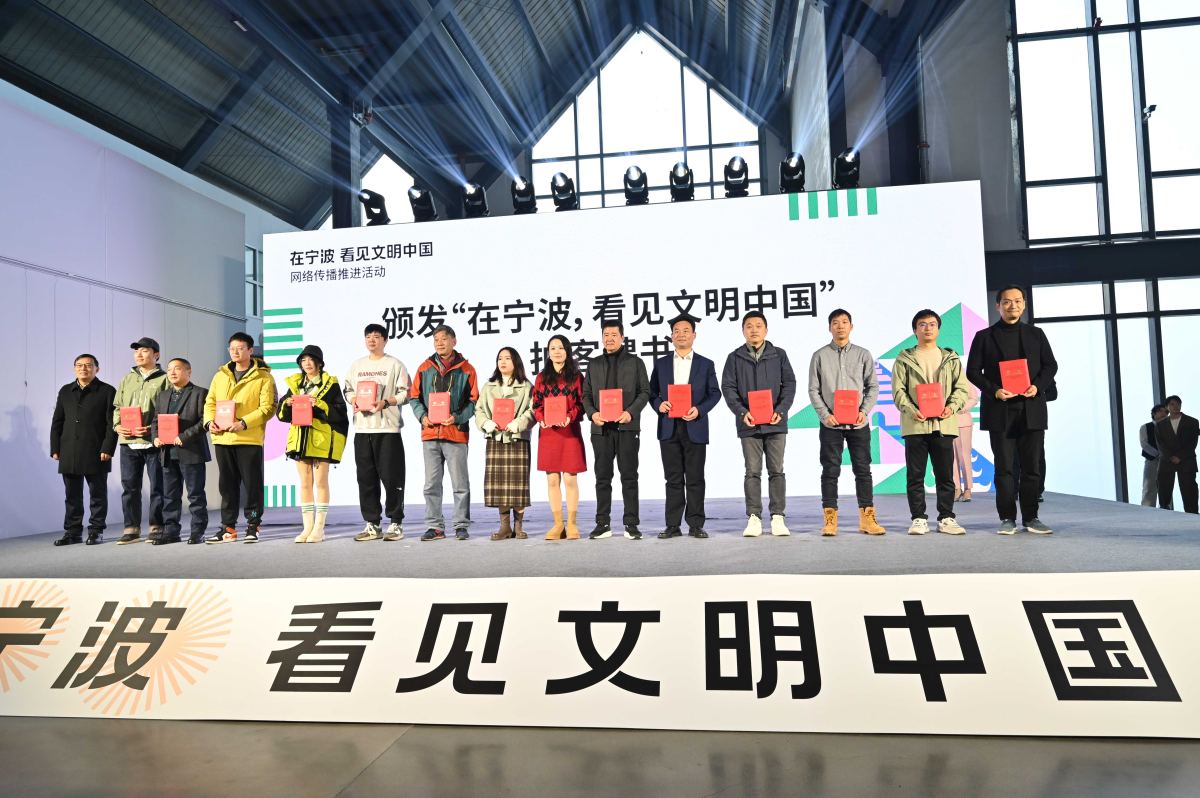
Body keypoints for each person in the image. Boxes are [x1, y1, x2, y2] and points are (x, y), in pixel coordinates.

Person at [966, 285, 1057, 535]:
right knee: (1004, 468)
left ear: (1024, 304)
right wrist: (994, 390)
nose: (1012, 306)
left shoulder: (1036, 334)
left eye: (1017, 301)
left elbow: (1051, 366)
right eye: (1006, 302)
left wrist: (1037, 386)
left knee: (1032, 467)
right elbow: (972, 371)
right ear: (998, 306)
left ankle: (1031, 517)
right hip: (1000, 409)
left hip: (1031, 408)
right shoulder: (984, 336)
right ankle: (1007, 518)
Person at [891, 310, 971, 535]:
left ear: (938, 329)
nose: (928, 328)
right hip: (915, 425)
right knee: (915, 476)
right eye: (922, 324)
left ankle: (946, 517)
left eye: (932, 324)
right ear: (915, 330)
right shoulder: (904, 358)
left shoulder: (950, 358)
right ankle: (918, 518)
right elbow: (898, 391)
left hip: (944, 424)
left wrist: (951, 408)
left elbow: (961, 389)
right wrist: (912, 410)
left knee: (945, 475)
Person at [804, 309, 883, 536]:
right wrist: (824, 415)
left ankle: (867, 518)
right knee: (830, 470)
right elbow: (813, 389)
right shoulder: (819, 356)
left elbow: (873, 386)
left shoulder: (863, 354)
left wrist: (864, 411)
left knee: (863, 470)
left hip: (858, 423)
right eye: (836, 323)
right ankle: (830, 519)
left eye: (845, 322)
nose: (840, 326)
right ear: (829, 327)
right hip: (831, 423)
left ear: (851, 326)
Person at [721, 311, 799, 537]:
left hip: (776, 422)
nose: (753, 330)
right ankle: (754, 517)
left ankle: (778, 516)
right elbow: (728, 388)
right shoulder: (734, 357)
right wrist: (742, 412)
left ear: (766, 330)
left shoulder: (779, 355)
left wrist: (781, 410)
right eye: (749, 326)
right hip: (749, 423)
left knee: (776, 470)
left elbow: (790, 384)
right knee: (752, 471)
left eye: (758, 325)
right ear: (743, 331)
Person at [649, 313, 722, 539]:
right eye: (677, 331)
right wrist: (659, 404)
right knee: (672, 478)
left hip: (695, 425)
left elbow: (715, 393)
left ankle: (696, 524)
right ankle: (672, 525)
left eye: (686, 331)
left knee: (695, 478)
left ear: (694, 335)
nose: (681, 335)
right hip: (669, 426)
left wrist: (699, 409)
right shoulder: (661, 364)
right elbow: (651, 392)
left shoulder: (705, 364)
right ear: (671, 336)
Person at [203, 332, 278, 543]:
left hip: (248, 438)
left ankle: (253, 524)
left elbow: (268, 408)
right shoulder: (220, 376)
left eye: (240, 348)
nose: (235, 352)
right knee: (227, 486)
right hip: (222, 438)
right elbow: (210, 402)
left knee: (252, 485)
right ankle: (228, 527)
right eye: (232, 348)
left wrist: (243, 422)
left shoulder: (263, 377)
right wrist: (209, 423)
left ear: (250, 350)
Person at [582, 321, 650, 540]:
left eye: (614, 334)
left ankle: (631, 524)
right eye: (606, 334)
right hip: (601, 429)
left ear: (622, 337)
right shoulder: (593, 364)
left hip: (627, 427)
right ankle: (602, 523)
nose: (609, 338)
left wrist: (630, 412)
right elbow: (586, 395)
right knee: (602, 478)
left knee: (629, 477)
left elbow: (645, 392)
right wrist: (592, 414)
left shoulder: (635, 362)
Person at [410, 325, 479, 541]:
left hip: (455, 434)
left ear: (454, 341)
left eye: (444, 339)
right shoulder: (424, 368)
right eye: (436, 339)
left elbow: (473, 402)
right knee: (431, 484)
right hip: (430, 434)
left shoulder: (467, 369)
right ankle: (435, 526)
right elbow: (414, 398)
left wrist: (457, 418)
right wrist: (423, 416)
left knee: (460, 484)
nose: (439, 343)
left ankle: (461, 525)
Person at [345, 323, 411, 542]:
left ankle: (395, 522)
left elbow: (406, 393)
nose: (372, 340)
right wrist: (354, 399)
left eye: (376, 336)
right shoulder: (357, 365)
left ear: (385, 340)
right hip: (362, 429)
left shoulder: (394, 364)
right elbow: (348, 390)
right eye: (368, 337)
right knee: (366, 479)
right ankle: (372, 523)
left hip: (388, 429)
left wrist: (386, 402)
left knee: (392, 478)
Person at [277, 345, 349, 543]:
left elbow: (340, 413)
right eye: (303, 360)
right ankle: (307, 527)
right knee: (305, 482)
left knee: (320, 482)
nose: (307, 363)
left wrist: (320, 404)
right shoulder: (295, 384)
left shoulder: (330, 384)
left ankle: (319, 528)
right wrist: (287, 404)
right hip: (300, 439)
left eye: (310, 359)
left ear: (319, 363)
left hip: (320, 440)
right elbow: (281, 414)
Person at [50, 354, 117, 545]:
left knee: (97, 494)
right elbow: (57, 421)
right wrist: (55, 447)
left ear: (97, 369)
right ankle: (73, 532)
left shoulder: (107, 391)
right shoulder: (65, 391)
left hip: (96, 450)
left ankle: (96, 530)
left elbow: (111, 424)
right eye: (79, 365)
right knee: (72, 495)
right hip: (69, 450)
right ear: (74, 369)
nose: (83, 369)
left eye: (88, 365)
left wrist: (108, 448)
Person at [112, 337, 169, 545]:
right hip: (128, 442)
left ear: (156, 355)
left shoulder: (165, 379)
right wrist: (117, 425)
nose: (139, 354)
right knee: (130, 487)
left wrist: (154, 429)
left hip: (154, 442)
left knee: (157, 487)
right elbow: (117, 407)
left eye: (144, 351)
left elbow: (168, 409)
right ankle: (131, 528)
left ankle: (156, 526)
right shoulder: (127, 379)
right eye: (136, 351)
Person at [475, 347, 535, 540]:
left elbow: (533, 410)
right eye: (500, 358)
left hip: (517, 438)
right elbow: (479, 410)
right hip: (496, 438)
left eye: (507, 358)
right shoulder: (489, 386)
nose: (503, 362)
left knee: (518, 485)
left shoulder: (526, 386)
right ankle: (505, 527)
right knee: (500, 485)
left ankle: (518, 526)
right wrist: (486, 423)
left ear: (516, 362)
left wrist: (519, 423)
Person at [150, 358, 210, 545]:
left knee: (195, 495)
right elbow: (155, 420)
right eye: (169, 369)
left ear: (188, 372)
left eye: (177, 369)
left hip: (191, 451)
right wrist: (155, 437)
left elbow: (205, 421)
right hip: (168, 453)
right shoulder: (163, 395)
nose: (172, 372)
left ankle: (197, 531)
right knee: (170, 496)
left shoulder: (200, 393)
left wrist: (184, 436)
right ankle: (171, 531)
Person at [533, 335, 588, 539]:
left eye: (561, 348)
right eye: (553, 348)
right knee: (552, 479)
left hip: (569, 431)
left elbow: (582, 404)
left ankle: (571, 524)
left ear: (567, 351)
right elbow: (536, 404)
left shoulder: (577, 376)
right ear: (548, 352)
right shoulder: (541, 377)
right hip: (549, 433)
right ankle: (558, 524)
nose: (557, 351)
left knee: (570, 478)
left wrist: (569, 416)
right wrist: (541, 419)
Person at [1156, 395, 1199, 514]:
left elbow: (1193, 442)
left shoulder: (1192, 422)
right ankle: (1164, 512)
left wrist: (1179, 456)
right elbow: (1160, 444)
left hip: (1186, 459)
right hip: (1167, 460)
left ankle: (1193, 515)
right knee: (1164, 488)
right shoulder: (1160, 424)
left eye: (1178, 404)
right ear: (1167, 407)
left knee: (1189, 489)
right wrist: (1170, 457)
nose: (1176, 406)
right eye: (1172, 404)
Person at [953, 383, 979, 502]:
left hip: (963, 422)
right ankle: (956, 488)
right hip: (946, 424)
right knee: (951, 458)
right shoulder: (940, 379)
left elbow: (973, 398)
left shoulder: (964, 380)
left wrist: (960, 408)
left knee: (964, 456)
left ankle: (968, 488)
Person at [1140, 404, 1169, 508]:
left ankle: (1166, 508)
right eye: (1161, 411)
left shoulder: (1169, 428)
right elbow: (1144, 444)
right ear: (1154, 413)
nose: (1164, 413)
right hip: (1151, 460)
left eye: (1165, 412)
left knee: (1166, 487)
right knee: (1149, 486)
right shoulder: (1145, 427)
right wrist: (1158, 454)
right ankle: (1147, 509)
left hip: (1166, 462)